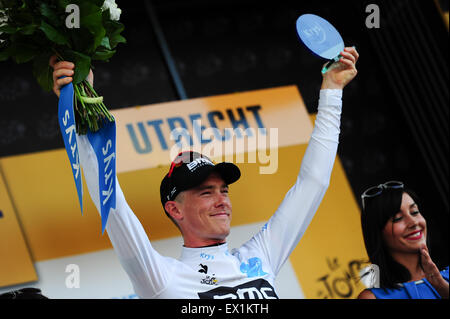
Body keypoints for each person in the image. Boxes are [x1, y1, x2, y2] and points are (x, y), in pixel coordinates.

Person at [49, 47, 359, 299]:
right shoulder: (161, 279)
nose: (222, 200)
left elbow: (313, 183)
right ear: (175, 209)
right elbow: (112, 205)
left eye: (223, 190)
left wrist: (331, 92)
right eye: (206, 192)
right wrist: (79, 102)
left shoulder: (259, 257)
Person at [357, 181, 449, 299]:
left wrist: (440, 285)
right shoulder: (372, 297)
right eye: (398, 218)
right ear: (378, 234)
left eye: (414, 212)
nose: (414, 222)